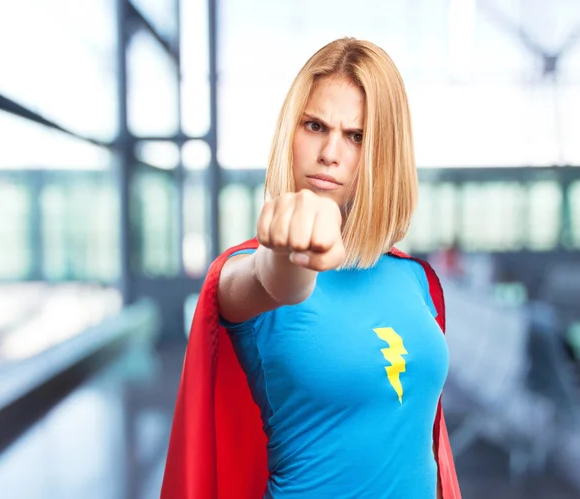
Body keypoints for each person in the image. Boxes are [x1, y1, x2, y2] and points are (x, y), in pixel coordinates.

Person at [161, 37, 460, 499]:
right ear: (290, 134)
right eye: (315, 126)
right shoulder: (245, 273)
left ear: (384, 152)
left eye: (356, 136)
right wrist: (292, 245)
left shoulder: (415, 280)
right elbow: (275, 278)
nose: (329, 153)